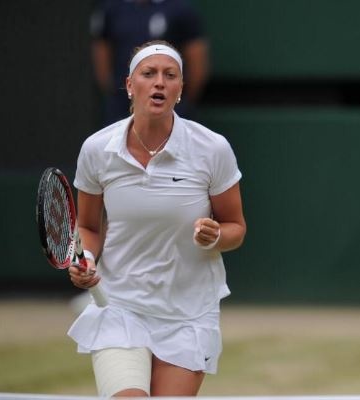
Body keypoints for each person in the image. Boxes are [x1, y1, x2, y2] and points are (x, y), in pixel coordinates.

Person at [67, 40, 246, 397]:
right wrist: (84, 258)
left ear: (180, 88)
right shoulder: (97, 150)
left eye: (170, 75)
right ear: (130, 85)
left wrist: (215, 236)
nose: (159, 83)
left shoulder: (212, 148)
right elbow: (87, 227)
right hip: (120, 307)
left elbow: (236, 228)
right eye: (149, 74)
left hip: (189, 313)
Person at [90, 0, 209, 125]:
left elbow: (197, 67)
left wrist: (178, 101)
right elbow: (101, 58)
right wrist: (117, 94)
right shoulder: (110, 8)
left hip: (172, 110)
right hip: (120, 108)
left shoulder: (181, 9)